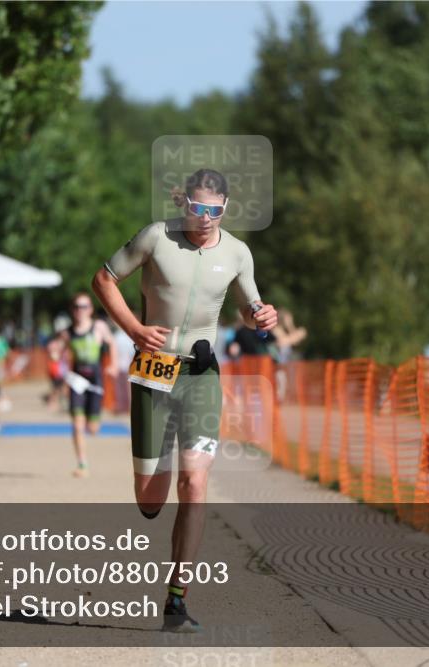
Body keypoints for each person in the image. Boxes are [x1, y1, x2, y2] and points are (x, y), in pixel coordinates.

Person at [92, 168, 278, 632]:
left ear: (226, 208)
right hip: (154, 373)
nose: (206, 218)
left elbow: (248, 305)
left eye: (215, 210)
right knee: (151, 498)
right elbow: (103, 280)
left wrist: (261, 315)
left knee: (194, 484)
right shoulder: (158, 237)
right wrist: (134, 329)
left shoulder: (237, 252)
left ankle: (176, 600)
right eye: (198, 208)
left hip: (201, 375)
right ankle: (160, 471)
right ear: (184, 205)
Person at [56, 293, 118, 478]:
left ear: (90, 309)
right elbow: (59, 352)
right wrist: (56, 358)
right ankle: (82, 463)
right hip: (77, 382)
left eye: (84, 306)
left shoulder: (99, 327)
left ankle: (93, 425)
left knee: (92, 428)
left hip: (95, 381)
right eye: (76, 306)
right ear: (72, 310)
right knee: (77, 425)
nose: (80, 310)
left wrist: (113, 365)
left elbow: (112, 343)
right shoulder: (67, 333)